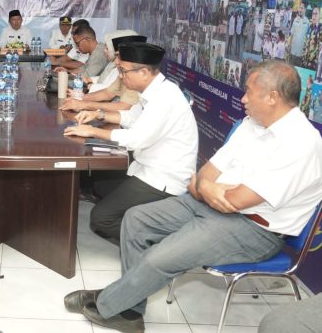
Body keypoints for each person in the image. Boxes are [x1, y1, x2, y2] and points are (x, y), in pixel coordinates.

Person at [64, 60, 322, 332]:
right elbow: (207, 172)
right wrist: (209, 188)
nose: (243, 99)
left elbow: (236, 201)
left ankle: (109, 304)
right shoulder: (252, 123)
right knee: (136, 220)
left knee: (159, 258)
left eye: (248, 91)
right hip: (208, 205)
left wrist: (206, 187)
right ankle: (129, 308)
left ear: (272, 97)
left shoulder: (301, 143)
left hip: (253, 229)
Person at [64, 42, 198, 244]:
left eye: (123, 71)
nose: (120, 76)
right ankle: (138, 218)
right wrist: (98, 114)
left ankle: (166, 243)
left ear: (143, 72)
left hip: (163, 179)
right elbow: (131, 117)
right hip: (146, 167)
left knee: (101, 218)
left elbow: (136, 138)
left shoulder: (165, 98)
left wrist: (93, 131)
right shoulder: (153, 91)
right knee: (98, 184)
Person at [60, 30, 145, 113]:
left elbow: (124, 107)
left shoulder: (135, 75)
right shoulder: (124, 72)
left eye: (119, 57)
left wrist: (85, 104)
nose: (116, 61)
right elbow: (107, 93)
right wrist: (80, 98)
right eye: (116, 56)